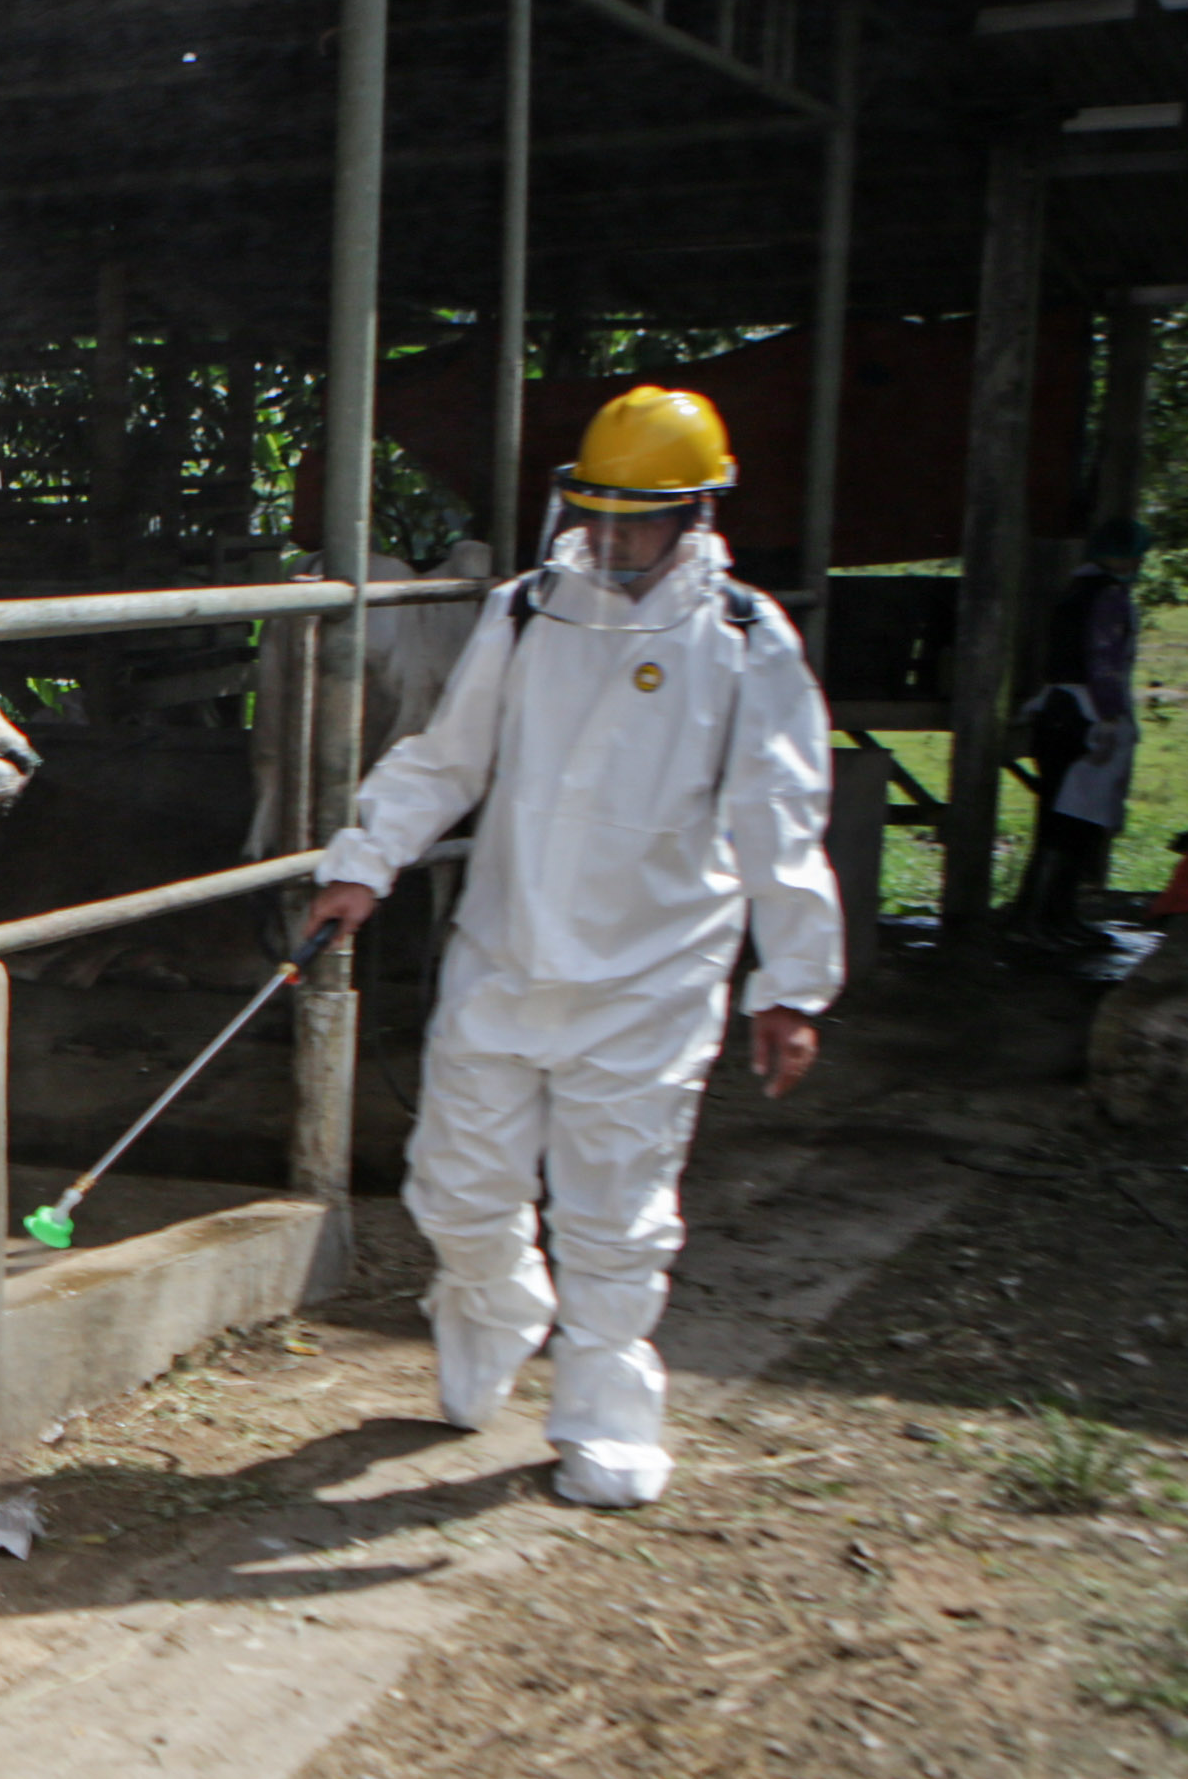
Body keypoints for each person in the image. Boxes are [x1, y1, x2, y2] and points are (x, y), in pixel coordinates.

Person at [303, 385, 845, 1509]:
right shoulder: (526, 612)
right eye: (596, 514)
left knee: (614, 1218)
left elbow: (780, 821)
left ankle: (604, 1416)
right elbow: (448, 757)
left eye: (635, 520)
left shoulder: (744, 640)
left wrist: (790, 986)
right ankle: (498, 1305)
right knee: (452, 1188)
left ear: (693, 513)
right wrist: (367, 860)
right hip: (506, 951)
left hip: (653, 978)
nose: (610, 538)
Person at [1011, 516, 1149, 945]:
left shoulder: (1075, 592)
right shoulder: (1108, 597)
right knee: (1070, 823)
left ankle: (1052, 917)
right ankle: (1039, 920)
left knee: (1062, 820)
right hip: (1084, 716)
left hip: (1059, 711)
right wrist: (1111, 717)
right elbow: (1103, 661)